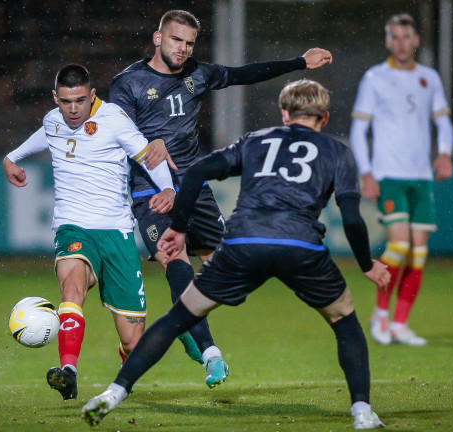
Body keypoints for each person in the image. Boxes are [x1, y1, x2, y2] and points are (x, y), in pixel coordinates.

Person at [82, 79, 390, 430]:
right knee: (345, 322)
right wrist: (366, 264)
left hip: (243, 244)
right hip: (301, 246)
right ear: (326, 116)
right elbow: (351, 217)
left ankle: (113, 393)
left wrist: (179, 227)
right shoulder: (338, 151)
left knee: (178, 318)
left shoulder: (257, 140)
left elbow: (197, 171)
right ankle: (362, 414)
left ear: (284, 113)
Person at [110, 9, 334, 387]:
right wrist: (150, 148)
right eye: (176, 40)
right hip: (151, 191)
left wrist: (300, 62)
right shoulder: (127, 84)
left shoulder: (198, 74)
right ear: (157, 38)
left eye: (189, 43)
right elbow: (120, 138)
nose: (182, 49)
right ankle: (211, 353)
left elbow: (244, 74)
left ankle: (183, 325)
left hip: (193, 187)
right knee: (172, 258)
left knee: (226, 273)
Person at [2, 64, 176, 401]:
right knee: (71, 288)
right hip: (72, 225)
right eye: (66, 102)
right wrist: (12, 157)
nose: (73, 109)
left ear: (92, 95)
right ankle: (68, 371)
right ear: (56, 98)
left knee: (132, 341)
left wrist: (167, 190)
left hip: (116, 232)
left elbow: (150, 158)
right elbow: (44, 135)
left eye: (80, 101)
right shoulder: (54, 120)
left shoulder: (114, 120)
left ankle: (128, 374)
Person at [349, 14, 453, 346]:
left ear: (416, 40)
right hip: (389, 174)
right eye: (394, 37)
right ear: (387, 41)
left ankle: (400, 323)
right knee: (399, 245)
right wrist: (366, 173)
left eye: (406, 36)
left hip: (421, 176)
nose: (400, 43)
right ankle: (380, 315)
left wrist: (445, 152)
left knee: (418, 253)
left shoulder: (429, 78)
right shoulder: (375, 78)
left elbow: (444, 123)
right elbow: (358, 129)